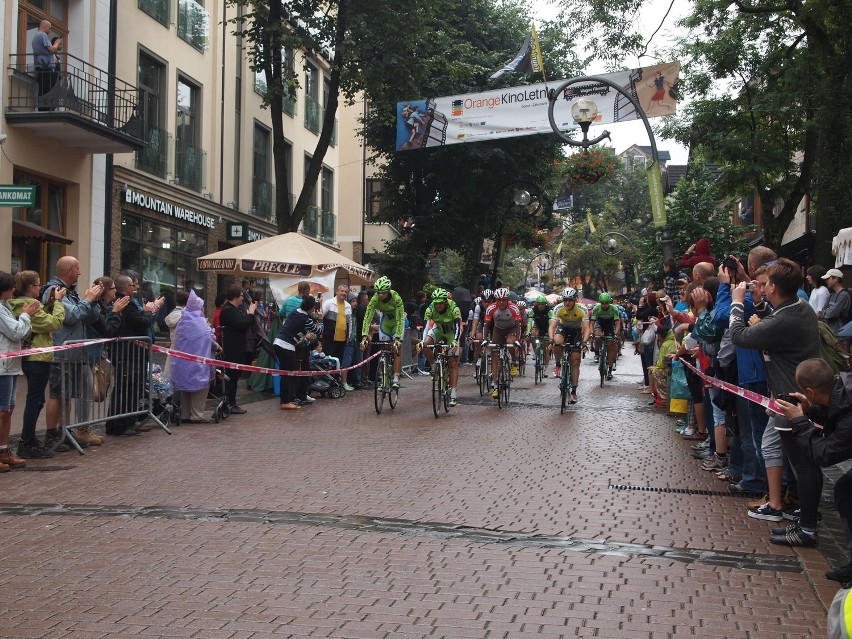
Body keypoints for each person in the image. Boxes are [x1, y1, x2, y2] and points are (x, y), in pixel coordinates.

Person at [729, 258, 822, 544]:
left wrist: (736, 302)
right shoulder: (797, 307)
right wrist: (758, 307)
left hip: (791, 400)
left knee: (803, 463)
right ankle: (787, 508)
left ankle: (806, 525)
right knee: (779, 450)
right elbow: (770, 322)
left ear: (775, 287)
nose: (762, 287)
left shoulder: (784, 318)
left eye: (766, 283)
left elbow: (739, 336)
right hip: (787, 395)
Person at [774, 358, 852, 582]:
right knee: (846, 489)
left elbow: (825, 454)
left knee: (846, 489)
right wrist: (813, 411)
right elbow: (836, 420)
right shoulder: (842, 391)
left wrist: (799, 421)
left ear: (810, 390)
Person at [42, 256, 102, 450]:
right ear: (68, 270)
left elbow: (88, 318)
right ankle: (52, 435)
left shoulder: (71, 292)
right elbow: (70, 316)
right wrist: (87, 301)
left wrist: (93, 302)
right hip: (61, 352)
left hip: (75, 353)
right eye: (77, 268)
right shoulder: (54, 291)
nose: (80, 272)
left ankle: (64, 431)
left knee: (66, 395)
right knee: (57, 394)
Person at [9, 271, 64, 459]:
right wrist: (57, 303)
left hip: (31, 357)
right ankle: (27, 442)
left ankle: (29, 439)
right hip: (37, 358)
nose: (40, 288)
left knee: (37, 400)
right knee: (34, 400)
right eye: (38, 285)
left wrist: (48, 304)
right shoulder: (28, 306)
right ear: (30, 287)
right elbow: (54, 323)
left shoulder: (18, 305)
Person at [106, 274, 163, 436]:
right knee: (126, 389)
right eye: (132, 285)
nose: (135, 288)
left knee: (132, 389)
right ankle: (119, 424)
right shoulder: (126, 303)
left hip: (133, 354)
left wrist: (147, 311)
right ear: (125, 288)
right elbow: (142, 322)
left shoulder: (128, 302)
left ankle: (128, 420)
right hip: (128, 354)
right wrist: (150, 311)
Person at [0, 271, 39, 471]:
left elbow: (21, 331)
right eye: (10, 287)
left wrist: (23, 320)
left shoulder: (5, 307)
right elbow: (16, 331)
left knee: (8, 409)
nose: (14, 290)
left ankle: (4, 450)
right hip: (3, 367)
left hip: (11, 365)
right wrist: (25, 315)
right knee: (2, 411)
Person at [170, 290, 217, 423]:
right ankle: (196, 415)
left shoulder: (183, 320)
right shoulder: (198, 321)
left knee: (186, 387)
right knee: (199, 387)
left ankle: (185, 414)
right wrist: (217, 345)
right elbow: (208, 338)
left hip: (182, 363)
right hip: (198, 362)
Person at [274, 295, 322, 411]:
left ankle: (288, 399)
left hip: (278, 342)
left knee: (286, 375)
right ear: (311, 308)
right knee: (288, 376)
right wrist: (320, 319)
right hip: (287, 346)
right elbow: (318, 331)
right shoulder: (305, 319)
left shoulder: (295, 312)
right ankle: (285, 401)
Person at [419, 288, 463, 406]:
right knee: (424, 346)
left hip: (451, 333)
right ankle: (434, 367)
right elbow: (427, 327)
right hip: (438, 330)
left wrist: (454, 341)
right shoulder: (430, 308)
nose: (438, 305)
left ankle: (453, 393)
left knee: (452, 361)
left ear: (445, 301)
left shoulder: (454, 308)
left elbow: (458, 327)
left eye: (441, 303)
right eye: (436, 302)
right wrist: (423, 341)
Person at [360, 277, 405, 389]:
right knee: (384, 348)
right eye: (378, 292)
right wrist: (364, 336)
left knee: (396, 349)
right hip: (385, 323)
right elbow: (367, 318)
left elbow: (400, 319)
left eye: (383, 293)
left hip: (396, 324)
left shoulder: (396, 298)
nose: (380, 295)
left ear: (388, 290)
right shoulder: (374, 299)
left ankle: (395, 377)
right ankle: (384, 374)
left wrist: (398, 338)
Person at [219, 284, 257, 415]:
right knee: (232, 376)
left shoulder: (234, 309)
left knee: (235, 376)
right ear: (235, 296)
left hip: (238, 347)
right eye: (241, 296)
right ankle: (231, 403)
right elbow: (242, 325)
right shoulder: (228, 310)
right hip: (233, 348)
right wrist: (251, 314)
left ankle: (231, 402)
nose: (243, 298)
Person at [548, 289, 589, 404]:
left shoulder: (582, 309)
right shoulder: (558, 308)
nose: (568, 303)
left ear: (575, 300)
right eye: (565, 300)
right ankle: (558, 364)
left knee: (575, 360)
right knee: (557, 341)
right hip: (563, 328)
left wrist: (584, 342)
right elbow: (552, 327)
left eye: (570, 300)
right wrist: (551, 339)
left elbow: (587, 328)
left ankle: (574, 391)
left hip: (576, 331)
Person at [483, 288, 522, 399]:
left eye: (504, 300)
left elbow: (518, 325)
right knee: (495, 357)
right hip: (498, 330)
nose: (501, 302)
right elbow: (486, 325)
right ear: (496, 300)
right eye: (499, 300)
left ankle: (514, 362)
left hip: (511, 329)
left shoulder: (513, 308)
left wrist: (518, 340)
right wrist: (485, 339)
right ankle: (495, 385)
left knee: (510, 342)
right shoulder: (491, 308)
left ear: (507, 300)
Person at [321, 284, 354, 391]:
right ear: (337, 292)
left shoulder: (348, 306)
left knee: (338, 363)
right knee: (327, 362)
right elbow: (320, 317)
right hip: (329, 339)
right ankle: (325, 384)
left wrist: (349, 336)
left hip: (342, 340)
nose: (343, 293)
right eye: (342, 291)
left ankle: (335, 384)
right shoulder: (329, 303)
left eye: (345, 292)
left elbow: (350, 323)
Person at [590, 292, 622, 381]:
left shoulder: (614, 309)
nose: (604, 305)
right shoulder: (596, 308)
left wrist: (615, 334)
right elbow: (592, 322)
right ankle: (596, 353)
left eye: (606, 303)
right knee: (597, 335)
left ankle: (610, 370)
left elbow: (617, 324)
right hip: (600, 323)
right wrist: (592, 333)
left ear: (609, 302)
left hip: (609, 324)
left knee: (611, 344)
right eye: (602, 303)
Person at [32, 20, 62, 110]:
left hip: (40, 66)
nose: (49, 31)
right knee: (46, 89)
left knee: (43, 89)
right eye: (49, 28)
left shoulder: (36, 37)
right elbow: (52, 49)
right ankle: (46, 108)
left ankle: (43, 108)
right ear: (45, 27)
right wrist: (56, 43)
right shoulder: (42, 35)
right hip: (45, 67)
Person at [820, 268, 851, 335]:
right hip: (831, 332)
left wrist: (825, 312)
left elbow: (833, 313)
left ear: (836, 279)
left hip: (841, 334)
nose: (826, 281)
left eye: (828, 278)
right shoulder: (831, 295)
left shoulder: (844, 295)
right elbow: (823, 309)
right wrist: (827, 311)